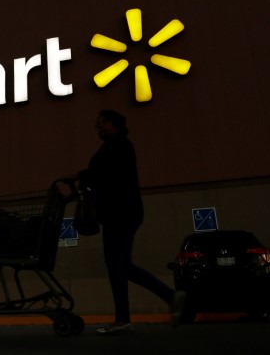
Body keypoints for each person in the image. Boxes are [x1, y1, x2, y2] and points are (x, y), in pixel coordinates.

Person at [69, 110, 186, 336]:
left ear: (116, 124)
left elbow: (104, 173)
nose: (99, 127)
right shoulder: (117, 146)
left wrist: (79, 175)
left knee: (116, 265)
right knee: (122, 265)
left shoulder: (119, 145)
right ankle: (169, 297)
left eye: (103, 122)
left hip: (120, 213)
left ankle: (124, 318)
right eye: (97, 124)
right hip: (122, 213)